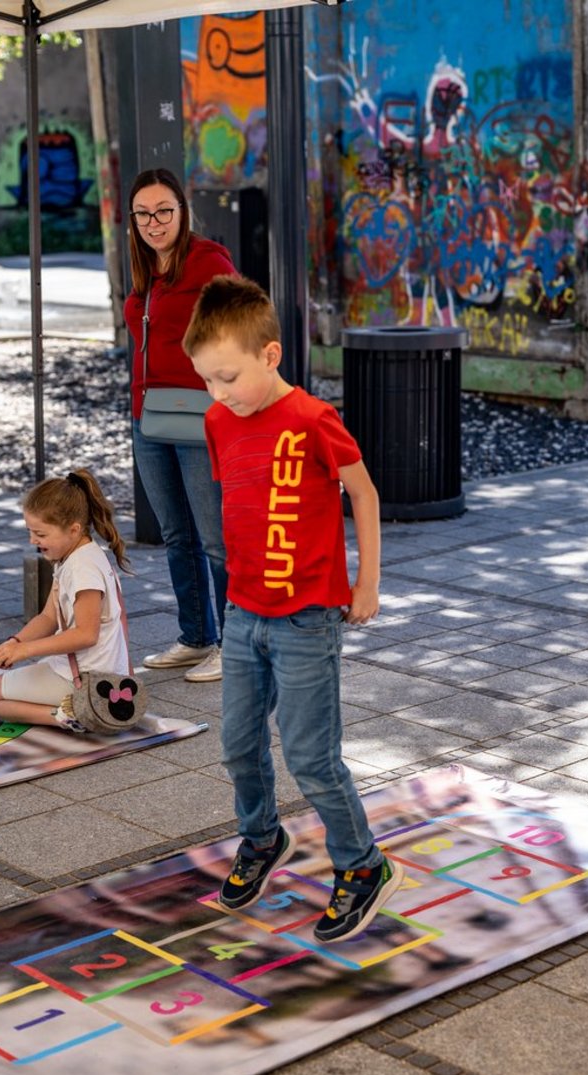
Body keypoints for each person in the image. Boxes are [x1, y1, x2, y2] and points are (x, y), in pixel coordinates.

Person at [182, 274, 404, 944]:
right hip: (244, 612)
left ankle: (362, 865)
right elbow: (237, 505)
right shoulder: (220, 420)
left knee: (311, 754)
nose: (218, 394)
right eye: (207, 381)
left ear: (270, 355)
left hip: (309, 615)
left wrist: (366, 583)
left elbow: (362, 493)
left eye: (227, 376)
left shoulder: (312, 419)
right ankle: (260, 838)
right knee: (237, 745)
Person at [124, 167, 236, 684]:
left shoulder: (207, 260)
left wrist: (225, 390)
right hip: (147, 418)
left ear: (182, 211)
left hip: (197, 416)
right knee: (176, 534)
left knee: (215, 538)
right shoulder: (147, 269)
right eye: (143, 213)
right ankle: (196, 637)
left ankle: (235, 644)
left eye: (163, 210)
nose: (154, 221)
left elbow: (241, 326)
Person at [0, 469, 132, 734]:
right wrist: (15, 643)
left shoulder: (82, 569)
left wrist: (26, 651)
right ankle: (72, 709)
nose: (33, 541)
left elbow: (86, 635)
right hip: (91, 671)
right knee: (20, 679)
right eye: (30, 531)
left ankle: (69, 715)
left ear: (73, 529)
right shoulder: (74, 557)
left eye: (40, 534)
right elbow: (48, 618)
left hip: (86, 678)